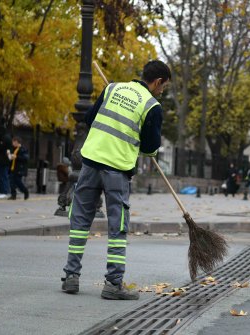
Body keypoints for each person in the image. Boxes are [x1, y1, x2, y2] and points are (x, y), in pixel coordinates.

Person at [60, 60, 170, 300]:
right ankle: (113, 283)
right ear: (158, 82)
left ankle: (71, 277)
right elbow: (151, 146)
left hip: (90, 162)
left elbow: (90, 120)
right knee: (117, 225)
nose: (162, 91)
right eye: (163, 87)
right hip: (117, 170)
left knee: (80, 221)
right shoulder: (152, 106)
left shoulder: (112, 89)